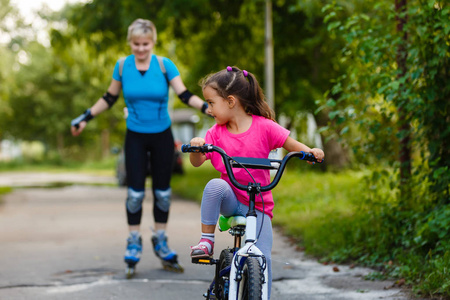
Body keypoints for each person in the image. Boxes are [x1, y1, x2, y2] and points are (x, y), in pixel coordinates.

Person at [70, 18, 208, 273]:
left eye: (146, 44)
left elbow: (184, 94)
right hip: (134, 135)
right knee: (134, 194)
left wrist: (208, 107)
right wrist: (85, 118)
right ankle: (133, 241)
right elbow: (109, 97)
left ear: (153, 42)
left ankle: (161, 240)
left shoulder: (165, 65)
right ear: (130, 43)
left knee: (162, 193)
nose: (141, 49)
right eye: (136, 44)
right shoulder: (122, 66)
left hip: (162, 136)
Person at [187, 66, 324, 296]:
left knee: (263, 261)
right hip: (231, 199)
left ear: (230, 101)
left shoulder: (264, 127)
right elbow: (197, 161)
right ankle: (206, 241)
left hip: (258, 204)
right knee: (214, 185)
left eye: (211, 103)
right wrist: (196, 146)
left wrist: (309, 152)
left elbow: (290, 144)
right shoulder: (216, 133)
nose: (209, 110)